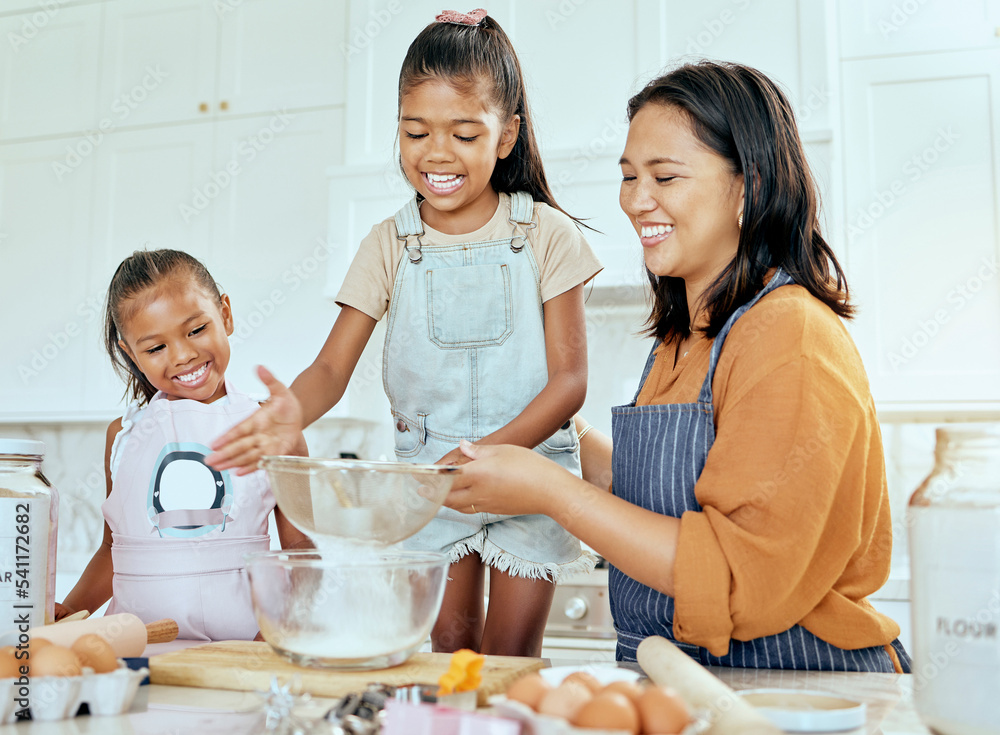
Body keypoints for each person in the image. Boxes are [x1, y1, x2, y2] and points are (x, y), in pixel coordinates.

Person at [443, 61, 913, 672]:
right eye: (629, 176)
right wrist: (557, 437)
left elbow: (739, 578)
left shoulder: (790, 337)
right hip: (688, 682)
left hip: (797, 692)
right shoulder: (682, 336)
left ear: (751, 185)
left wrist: (550, 490)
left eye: (665, 176)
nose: (637, 200)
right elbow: (665, 500)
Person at [207, 9, 602, 657]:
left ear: (507, 137)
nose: (436, 153)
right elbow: (331, 369)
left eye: (464, 134)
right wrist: (289, 409)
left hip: (533, 477)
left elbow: (569, 383)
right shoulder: (389, 244)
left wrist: (487, 456)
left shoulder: (547, 236)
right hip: (428, 484)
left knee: (509, 657)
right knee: (446, 648)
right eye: (416, 131)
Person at [57, 249, 310, 641]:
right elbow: (114, 549)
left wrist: (272, 634)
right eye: (155, 348)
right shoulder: (122, 436)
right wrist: (70, 611)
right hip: (139, 651)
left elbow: (302, 550)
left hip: (244, 650)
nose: (183, 355)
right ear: (131, 354)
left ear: (225, 313)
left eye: (196, 330)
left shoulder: (272, 429)